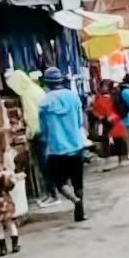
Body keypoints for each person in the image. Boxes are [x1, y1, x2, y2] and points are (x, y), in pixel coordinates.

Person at [38, 67, 87, 222]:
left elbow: (43, 129)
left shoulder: (44, 102)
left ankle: (75, 201)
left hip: (56, 149)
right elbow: (79, 121)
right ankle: (81, 210)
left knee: (59, 182)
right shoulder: (73, 97)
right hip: (76, 145)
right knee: (77, 181)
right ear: (61, 80)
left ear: (46, 83)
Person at [6, 70, 59, 208]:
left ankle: (52, 195)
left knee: (43, 166)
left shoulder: (27, 95)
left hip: (39, 134)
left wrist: (29, 134)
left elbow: (32, 118)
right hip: (47, 132)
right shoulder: (36, 90)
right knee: (47, 164)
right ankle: (51, 194)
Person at [0, 168, 19, 256]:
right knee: (11, 224)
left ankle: (3, 249)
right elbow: (11, 185)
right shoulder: (3, 175)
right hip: (6, 202)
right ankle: (15, 245)